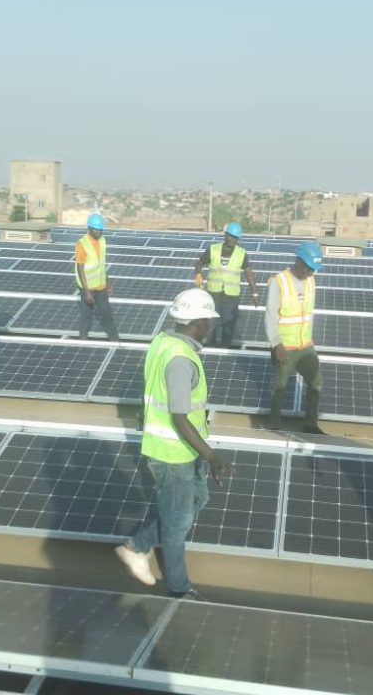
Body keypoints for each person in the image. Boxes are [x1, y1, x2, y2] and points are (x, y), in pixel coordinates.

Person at [115, 288, 234, 599]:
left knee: (196, 501)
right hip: (172, 454)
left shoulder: (163, 342)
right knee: (176, 525)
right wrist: (212, 456)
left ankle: (136, 545)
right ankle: (179, 588)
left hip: (184, 449)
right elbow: (180, 417)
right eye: (209, 321)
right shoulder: (180, 360)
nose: (211, 326)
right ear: (199, 322)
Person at [263, 241, 324, 433]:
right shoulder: (279, 281)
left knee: (316, 382)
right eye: (308, 268)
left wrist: (309, 338)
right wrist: (276, 344)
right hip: (285, 346)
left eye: (313, 269)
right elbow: (271, 315)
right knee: (279, 386)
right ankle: (274, 424)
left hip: (305, 345)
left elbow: (308, 313)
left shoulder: (311, 280)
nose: (311, 272)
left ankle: (311, 424)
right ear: (298, 262)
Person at [193, 222, 260, 348]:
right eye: (230, 236)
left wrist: (255, 293)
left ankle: (224, 349)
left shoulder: (241, 253)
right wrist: (198, 274)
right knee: (211, 325)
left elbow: (248, 272)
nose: (232, 240)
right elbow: (200, 262)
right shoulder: (213, 249)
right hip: (213, 294)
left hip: (231, 296)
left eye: (235, 238)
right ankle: (210, 349)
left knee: (228, 326)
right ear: (225, 235)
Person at [75, 213, 119, 341]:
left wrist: (108, 283)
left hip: (101, 286)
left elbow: (101, 264)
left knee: (107, 314)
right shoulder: (82, 244)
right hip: (87, 287)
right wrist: (87, 292)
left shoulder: (102, 240)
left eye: (101, 230)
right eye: (96, 230)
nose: (99, 232)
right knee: (86, 316)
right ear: (89, 229)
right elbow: (80, 269)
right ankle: (83, 342)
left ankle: (115, 341)